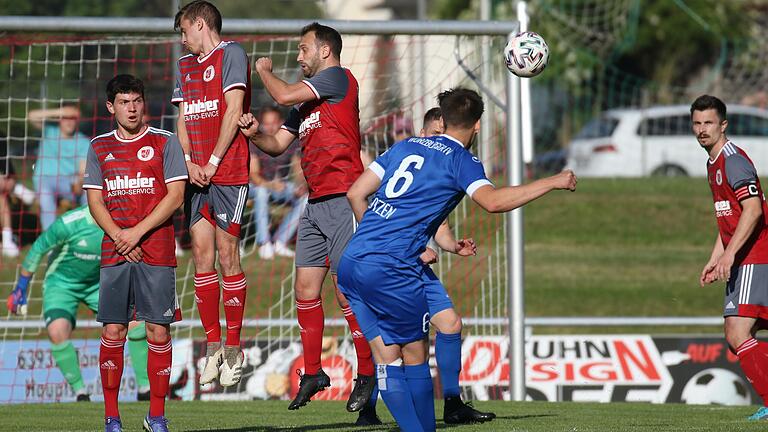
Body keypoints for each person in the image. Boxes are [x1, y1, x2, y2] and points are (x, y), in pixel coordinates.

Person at [339, 88, 577, 432]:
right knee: (415, 358)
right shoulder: (461, 160)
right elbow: (492, 202)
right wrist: (552, 181)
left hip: (353, 260)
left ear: (443, 118)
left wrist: (386, 240)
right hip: (391, 268)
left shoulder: (405, 145)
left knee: (388, 360)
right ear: (477, 125)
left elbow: (355, 193)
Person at [237, 22, 377, 422]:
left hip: (344, 199)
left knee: (346, 291)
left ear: (325, 52)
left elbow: (279, 91)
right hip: (315, 204)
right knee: (304, 288)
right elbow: (277, 145)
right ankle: (313, 371)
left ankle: (367, 372)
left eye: (303, 49)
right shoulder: (306, 106)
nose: (299, 57)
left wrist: (261, 69)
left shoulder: (337, 78)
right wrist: (252, 133)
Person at [83, 74, 187, 432]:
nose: (132, 108)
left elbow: (175, 197)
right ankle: (112, 418)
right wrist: (118, 236)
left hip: (156, 252)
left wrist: (135, 234)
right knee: (114, 330)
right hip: (115, 253)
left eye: (137, 101)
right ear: (111, 107)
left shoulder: (165, 142)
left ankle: (156, 416)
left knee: (159, 332)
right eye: (124, 102)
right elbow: (94, 200)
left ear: (144, 104)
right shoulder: (98, 146)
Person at [172, 0, 251, 387]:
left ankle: (235, 349)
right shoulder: (184, 66)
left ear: (200, 23)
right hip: (196, 175)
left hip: (229, 172)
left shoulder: (232, 54)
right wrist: (188, 161)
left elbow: (233, 110)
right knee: (201, 257)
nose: (182, 39)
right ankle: (213, 347)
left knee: (226, 255)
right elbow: (183, 117)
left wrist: (214, 161)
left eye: (184, 30)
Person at [6, 204, 151, 403]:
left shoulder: (124, 222)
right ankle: (80, 394)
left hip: (98, 283)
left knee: (136, 324)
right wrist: (21, 287)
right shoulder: (69, 223)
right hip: (61, 285)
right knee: (57, 331)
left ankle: (145, 389)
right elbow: (38, 248)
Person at [414, 107, 496, 424]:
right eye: (436, 136)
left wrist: (451, 245)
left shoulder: (438, 170)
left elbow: (440, 225)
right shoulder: (409, 160)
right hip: (388, 261)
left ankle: (453, 404)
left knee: (450, 324)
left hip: (412, 261)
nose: (441, 142)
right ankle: (371, 407)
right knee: (401, 343)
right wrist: (418, 248)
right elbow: (387, 218)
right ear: (423, 135)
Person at [693, 94, 768, 421]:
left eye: (708, 122)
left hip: (755, 255)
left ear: (723, 125)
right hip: (743, 256)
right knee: (739, 335)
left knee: (737, 334)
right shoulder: (713, 162)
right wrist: (716, 257)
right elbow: (730, 217)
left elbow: (753, 211)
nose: (701, 129)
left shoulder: (733, 160)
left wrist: (731, 255)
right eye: (696, 123)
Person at [247, 106, 307, 259]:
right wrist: (271, 185)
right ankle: (264, 242)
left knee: (305, 197)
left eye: (273, 123)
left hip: (281, 187)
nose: (270, 127)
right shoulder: (255, 141)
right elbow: (253, 175)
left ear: (281, 123)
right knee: (261, 192)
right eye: (266, 123)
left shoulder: (290, 142)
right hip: (257, 187)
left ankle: (280, 241)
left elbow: (297, 168)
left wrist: (301, 185)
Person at [27, 105, 90, 230]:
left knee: (90, 194)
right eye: (66, 118)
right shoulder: (49, 131)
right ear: (59, 119)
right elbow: (31, 116)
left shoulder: (83, 141)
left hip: (69, 182)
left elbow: (82, 170)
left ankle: (86, 233)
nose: (69, 122)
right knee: (46, 200)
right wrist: (60, 111)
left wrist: (80, 182)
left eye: (72, 118)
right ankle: (50, 240)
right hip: (45, 179)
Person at [0, 136, 19, 256]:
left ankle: (7, 241)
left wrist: (10, 182)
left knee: (1, 197)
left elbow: (9, 173)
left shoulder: (1, 137)